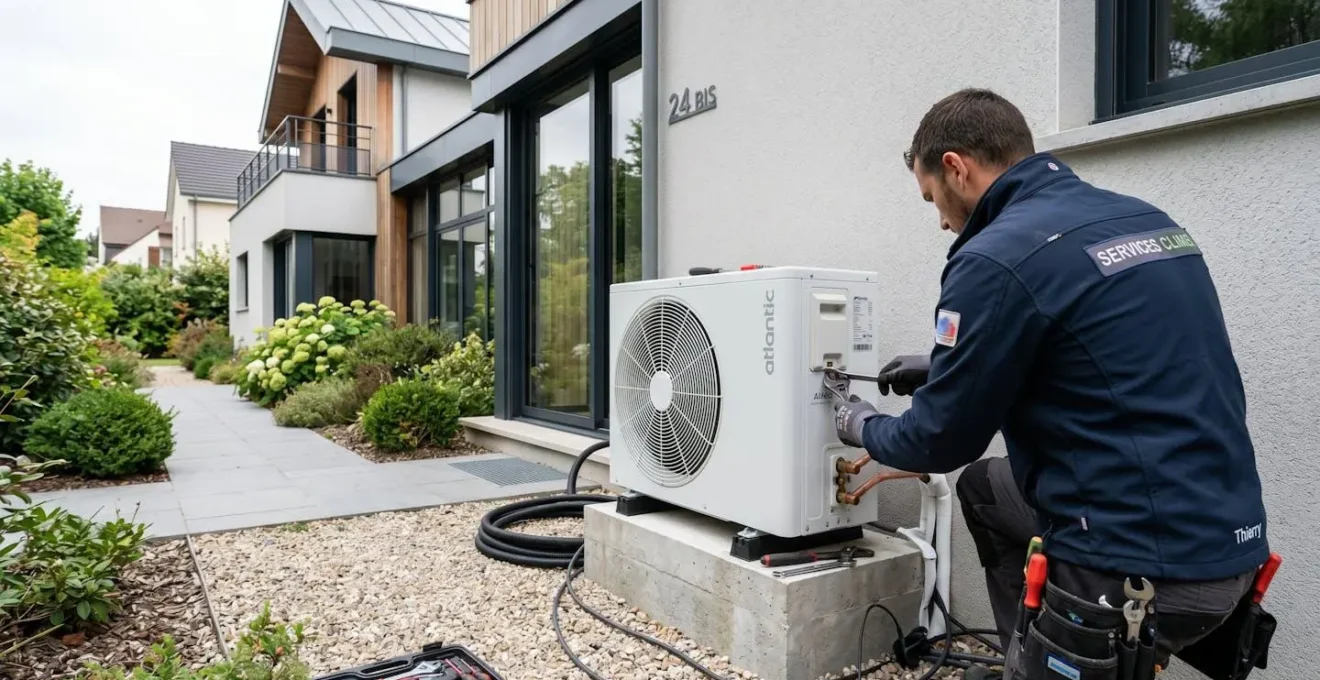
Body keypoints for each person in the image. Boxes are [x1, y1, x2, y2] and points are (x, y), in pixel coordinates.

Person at [827, 89, 1269, 677]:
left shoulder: (993, 256)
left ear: (956, 167)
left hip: (1142, 568)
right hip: (1231, 545)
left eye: (933, 197)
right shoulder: (1145, 220)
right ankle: (1032, 654)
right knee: (986, 490)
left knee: (972, 472)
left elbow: (939, 443)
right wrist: (943, 368)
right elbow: (1099, 352)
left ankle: (1059, 661)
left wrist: (859, 423)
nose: (939, 219)